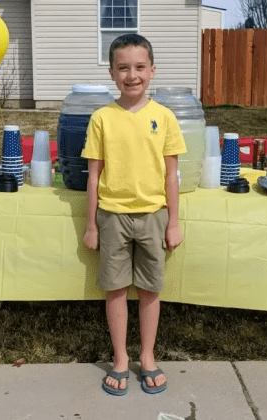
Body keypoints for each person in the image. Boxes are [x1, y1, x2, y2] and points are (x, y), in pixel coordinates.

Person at [81, 34, 186, 396]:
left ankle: (148, 355)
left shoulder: (165, 117)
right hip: (112, 216)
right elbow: (93, 174)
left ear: (152, 71)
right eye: (123, 68)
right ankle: (121, 358)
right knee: (114, 288)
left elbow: (172, 174)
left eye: (140, 67)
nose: (132, 75)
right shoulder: (101, 119)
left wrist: (173, 221)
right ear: (112, 73)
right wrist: (91, 224)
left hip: (154, 215)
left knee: (150, 289)